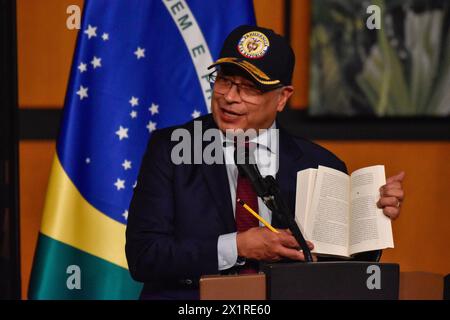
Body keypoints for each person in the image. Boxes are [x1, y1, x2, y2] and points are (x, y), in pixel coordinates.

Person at [125, 25, 405, 300]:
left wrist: (370, 216)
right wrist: (237, 246)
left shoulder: (321, 164)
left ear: (282, 98)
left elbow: (339, 271)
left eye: (249, 88)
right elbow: (144, 255)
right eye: (225, 81)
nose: (230, 98)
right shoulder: (172, 149)